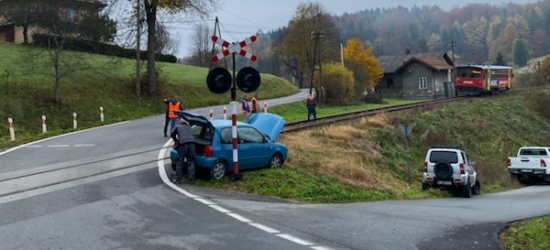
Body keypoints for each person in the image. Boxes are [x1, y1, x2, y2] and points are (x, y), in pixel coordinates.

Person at [171, 119, 195, 184]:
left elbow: (172, 134)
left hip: (182, 145)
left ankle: (178, 179)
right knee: (191, 162)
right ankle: (192, 180)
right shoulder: (189, 126)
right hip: (192, 144)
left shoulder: (178, 126)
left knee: (179, 162)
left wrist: (176, 140)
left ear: (180, 122)